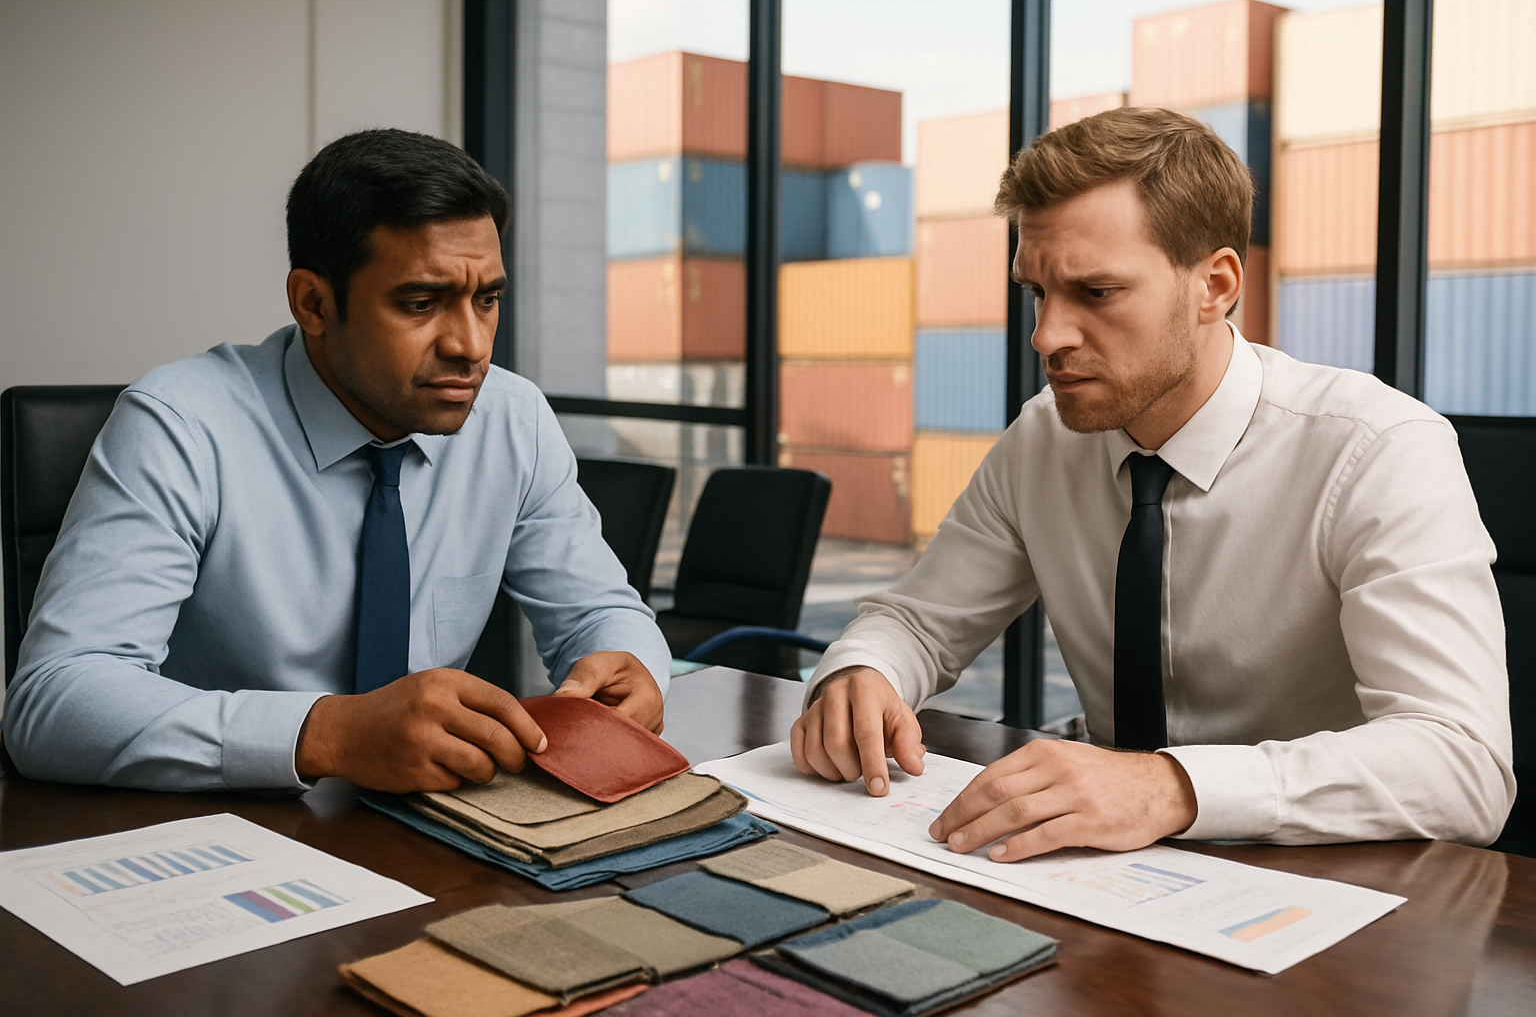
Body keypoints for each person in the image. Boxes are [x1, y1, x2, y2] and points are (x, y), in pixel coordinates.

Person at [791, 107, 1514, 860]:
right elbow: (919, 623)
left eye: (1096, 293)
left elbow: (1463, 766)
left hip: (1327, 882)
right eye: (1037, 292)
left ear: (1216, 285)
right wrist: (860, 671)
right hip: (1106, 875)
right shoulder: (1043, 439)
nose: (1047, 337)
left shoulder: (1378, 451)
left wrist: (1168, 788)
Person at [5, 129, 672, 794]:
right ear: (314, 304)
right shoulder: (182, 424)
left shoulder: (512, 420)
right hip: (226, 830)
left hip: (436, 833)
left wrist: (629, 667)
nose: (471, 346)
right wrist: (329, 735)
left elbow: (599, 614)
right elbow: (53, 700)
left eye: (487, 299)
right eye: (421, 303)